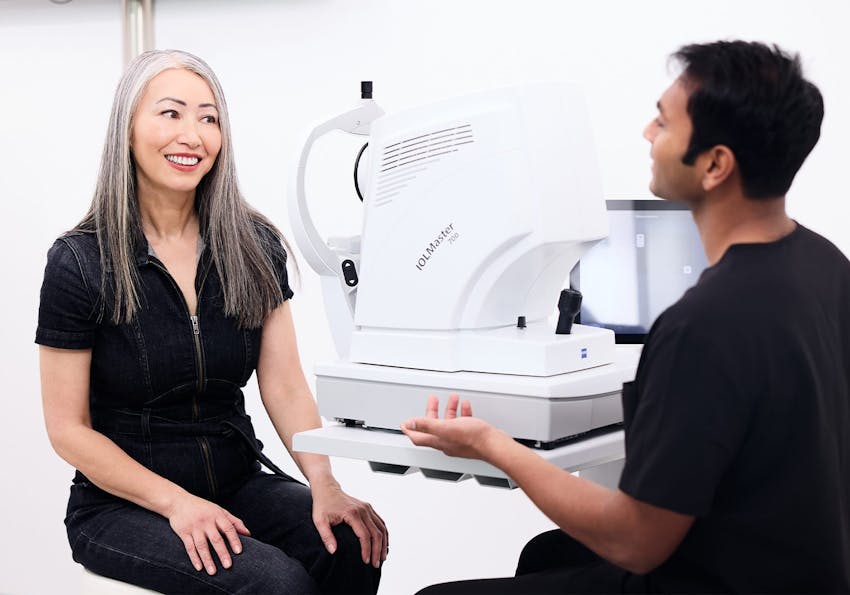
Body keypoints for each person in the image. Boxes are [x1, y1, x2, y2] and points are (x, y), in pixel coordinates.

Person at [402, 40, 850, 593]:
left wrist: (492, 445)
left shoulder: (704, 325)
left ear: (715, 164)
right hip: (798, 565)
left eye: (663, 122)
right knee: (545, 554)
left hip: (718, 580)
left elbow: (635, 542)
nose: (647, 133)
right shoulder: (827, 265)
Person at [37, 49, 386, 595]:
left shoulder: (254, 245)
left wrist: (325, 482)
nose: (193, 135)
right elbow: (68, 430)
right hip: (121, 506)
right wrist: (178, 504)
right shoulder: (80, 262)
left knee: (351, 544)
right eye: (170, 113)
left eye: (209, 118)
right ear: (127, 128)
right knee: (276, 584)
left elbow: (285, 385)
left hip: (235, 481)